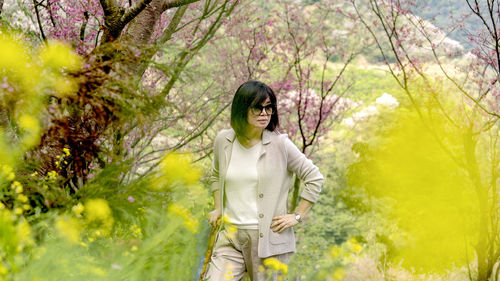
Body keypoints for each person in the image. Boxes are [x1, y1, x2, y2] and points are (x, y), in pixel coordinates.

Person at [206, 80, 324, 281]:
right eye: (257, 108)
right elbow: (216, 175)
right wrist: (218, 208)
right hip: (230, 237)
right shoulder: (223, 141)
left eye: (269, 108)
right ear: (242, 109)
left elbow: (314, 177)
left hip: (269, 241)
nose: (264, 113)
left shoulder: (281, 145)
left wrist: (297, 216)